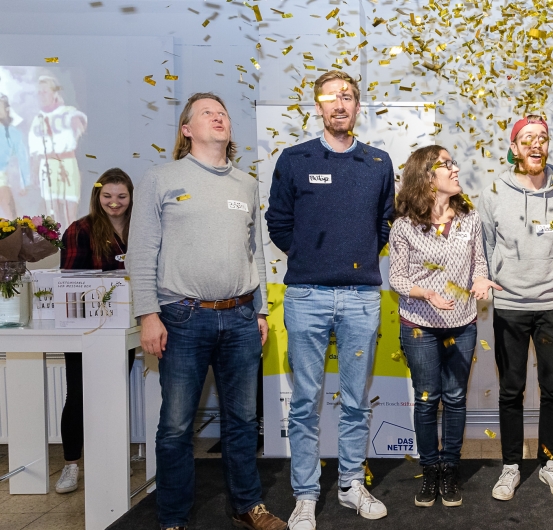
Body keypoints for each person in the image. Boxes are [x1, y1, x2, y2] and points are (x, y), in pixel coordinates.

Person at [127, 92, 285, 530]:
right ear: (187, 129)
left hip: (240, 318)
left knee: (243, 421)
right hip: (181, 318)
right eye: (207, 113)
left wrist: (260, 312)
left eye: (223, 113)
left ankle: (246, 506)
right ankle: (173, 518)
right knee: (176, 426)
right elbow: (142, 251)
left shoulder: (245, 184)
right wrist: (147, 314)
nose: (218, 117)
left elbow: (255, 253)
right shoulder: (160, 178)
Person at [266, 70, 395, 529]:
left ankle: (350, 484)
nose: (340, 105)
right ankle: (305, 495)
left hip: (362, 297)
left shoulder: (378, 163)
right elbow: (278, 223)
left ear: (357, 106)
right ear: (318, 106)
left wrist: (353, 259)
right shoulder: (294, 159)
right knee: (305, 401)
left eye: (348, 97)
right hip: (306, 295)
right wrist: (311, 258)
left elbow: (384, 224)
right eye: (330, 98)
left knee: (357, 401)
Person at [389, 145, 501, 508]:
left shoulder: (469, 219)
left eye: (453, 163)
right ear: (426, 176)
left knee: (455, 398)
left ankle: (450, 468)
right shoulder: (404, 226)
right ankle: (430, 469)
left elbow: (479, 264)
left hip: (463, 324)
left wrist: (481, 281)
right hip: (419, 325)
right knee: (427, 400)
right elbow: (397, 278)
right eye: (446, 164)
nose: (455, 169)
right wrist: (427, 294)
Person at [479, 114, 553, 501]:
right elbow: (486, 243)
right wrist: (498, 279)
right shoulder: (493, 192)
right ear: (515, 147)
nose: (536, 144)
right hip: (509, 306)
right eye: (527, 138)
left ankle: (549, 463)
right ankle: (511, 466)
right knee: (511, 390)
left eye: (542, 137)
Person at [54, 168, 136, 493]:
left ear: (131, 197)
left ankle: (111, 459)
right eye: (107, 196)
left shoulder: (140, 228)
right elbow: (71, 280)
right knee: (78, 395)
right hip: (83, 328)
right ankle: (71, 464)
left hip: (123, 327)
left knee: (114, 394)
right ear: (97, 196)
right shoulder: (80, 229)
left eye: (121, 196)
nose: (114, 203)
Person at [28, 75, 86, 228]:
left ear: (54, 93)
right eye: (39, 92)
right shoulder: (37, 119)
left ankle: (72, 240)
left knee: (69, 212)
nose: (41, 95)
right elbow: (35, 150)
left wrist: (77, 126)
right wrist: (34, 171)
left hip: (67, 163)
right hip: (47, 166)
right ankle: (55, 241)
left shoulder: (68, 112)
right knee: (52, 214)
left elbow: (80, 125)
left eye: (45, 92)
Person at [0, 94, 29, 219]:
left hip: (3, 178)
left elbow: (23, 158)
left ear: (6, 109)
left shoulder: (13, 132)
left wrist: (24, 182)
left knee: (10, 214)